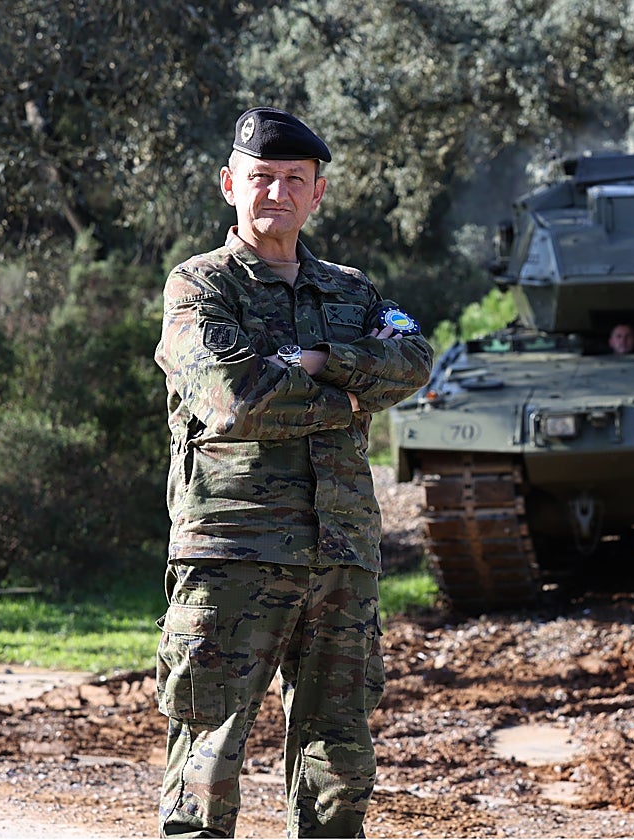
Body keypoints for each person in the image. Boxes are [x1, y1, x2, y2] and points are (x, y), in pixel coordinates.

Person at [153, 106, 433, 838]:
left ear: (318, 193)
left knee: (339, 756)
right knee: (209, 750)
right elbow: (233, 398)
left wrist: (318, 363)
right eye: (261, 177)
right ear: (228, 185)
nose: (276, 193)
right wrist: (348, 396)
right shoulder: (200, 288)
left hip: (342, 554)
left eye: (293, 180)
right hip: (234, 553)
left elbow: (413, 361)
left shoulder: (352, 292)